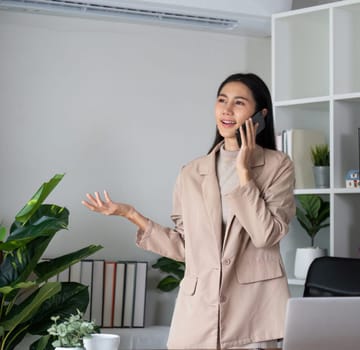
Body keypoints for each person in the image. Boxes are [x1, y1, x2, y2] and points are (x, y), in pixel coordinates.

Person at [82, 72, 296, 349]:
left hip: (253, 314)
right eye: (222, 100)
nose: (227, 110)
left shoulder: (277, 166)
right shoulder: (192, 172)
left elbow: (265, 235)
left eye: (239, 103)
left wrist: (244, 171)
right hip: (198, 315)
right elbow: (186, 248)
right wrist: (130, 214)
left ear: (260, 115)